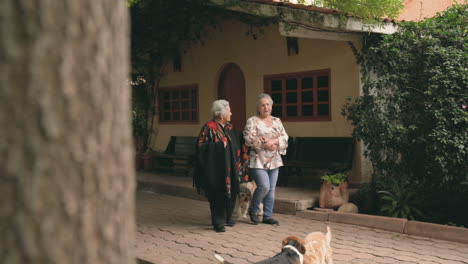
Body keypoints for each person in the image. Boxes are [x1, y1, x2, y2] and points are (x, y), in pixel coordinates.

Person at [193, 100, 248, 232]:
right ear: (221, 114)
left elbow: (241, 141)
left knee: (233, 190)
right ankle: (218, 221)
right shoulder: (209, 127)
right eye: (229, 110)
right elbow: (200, 146)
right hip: (216, 171)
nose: (231, 113)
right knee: (217, 193)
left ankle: (227, 217)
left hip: (232, 169)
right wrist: (217, 145)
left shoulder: (230, 128)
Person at [243, 93, 288, 225]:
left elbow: (285, 137)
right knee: (264, 186)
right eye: (263, 105)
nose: (266, 107)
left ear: (271, 106)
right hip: (258, 159)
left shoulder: (277, 121)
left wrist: (274, 141)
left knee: (272, 189)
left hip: (274, 159)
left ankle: (268, 216)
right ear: (258, 108)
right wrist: (264, 143)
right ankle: (254, 209)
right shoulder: (252, 121)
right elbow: (247, 138)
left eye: (268, 104)